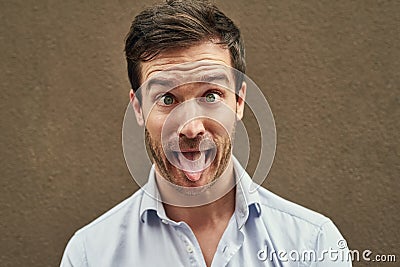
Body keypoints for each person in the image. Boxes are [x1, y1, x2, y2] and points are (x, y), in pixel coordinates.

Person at [61, 0, 351, 266]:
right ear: (138, 109)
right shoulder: (90, 255)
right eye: (166, 98)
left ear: (238, 101)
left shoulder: (314, 244)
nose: (191, 127)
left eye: (211, 96)